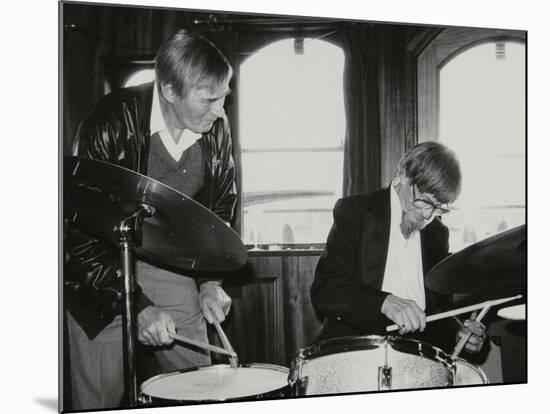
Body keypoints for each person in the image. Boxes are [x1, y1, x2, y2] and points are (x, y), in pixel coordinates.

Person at [64, 29, 237, 410]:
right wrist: (136, 307)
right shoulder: (109, 120)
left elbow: (219, 214)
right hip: (99, 262)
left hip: (167, 259)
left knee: (198, 386)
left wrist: (209, 280)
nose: (222, 110)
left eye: (224, 96)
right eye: (209, 98)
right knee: (99, 397)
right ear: (170, 91)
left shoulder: (215, 127)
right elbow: (78, 235)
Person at [310, 141, 486, 354]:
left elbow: (436, 309)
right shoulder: (355, 212)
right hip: (356, 349)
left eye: (439, 207)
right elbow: (326, 291)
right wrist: (383, 302)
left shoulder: (437, 233)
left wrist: (457, 334)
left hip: (414, 353)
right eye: (425, 201)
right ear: (404, 175)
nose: (428, 215)